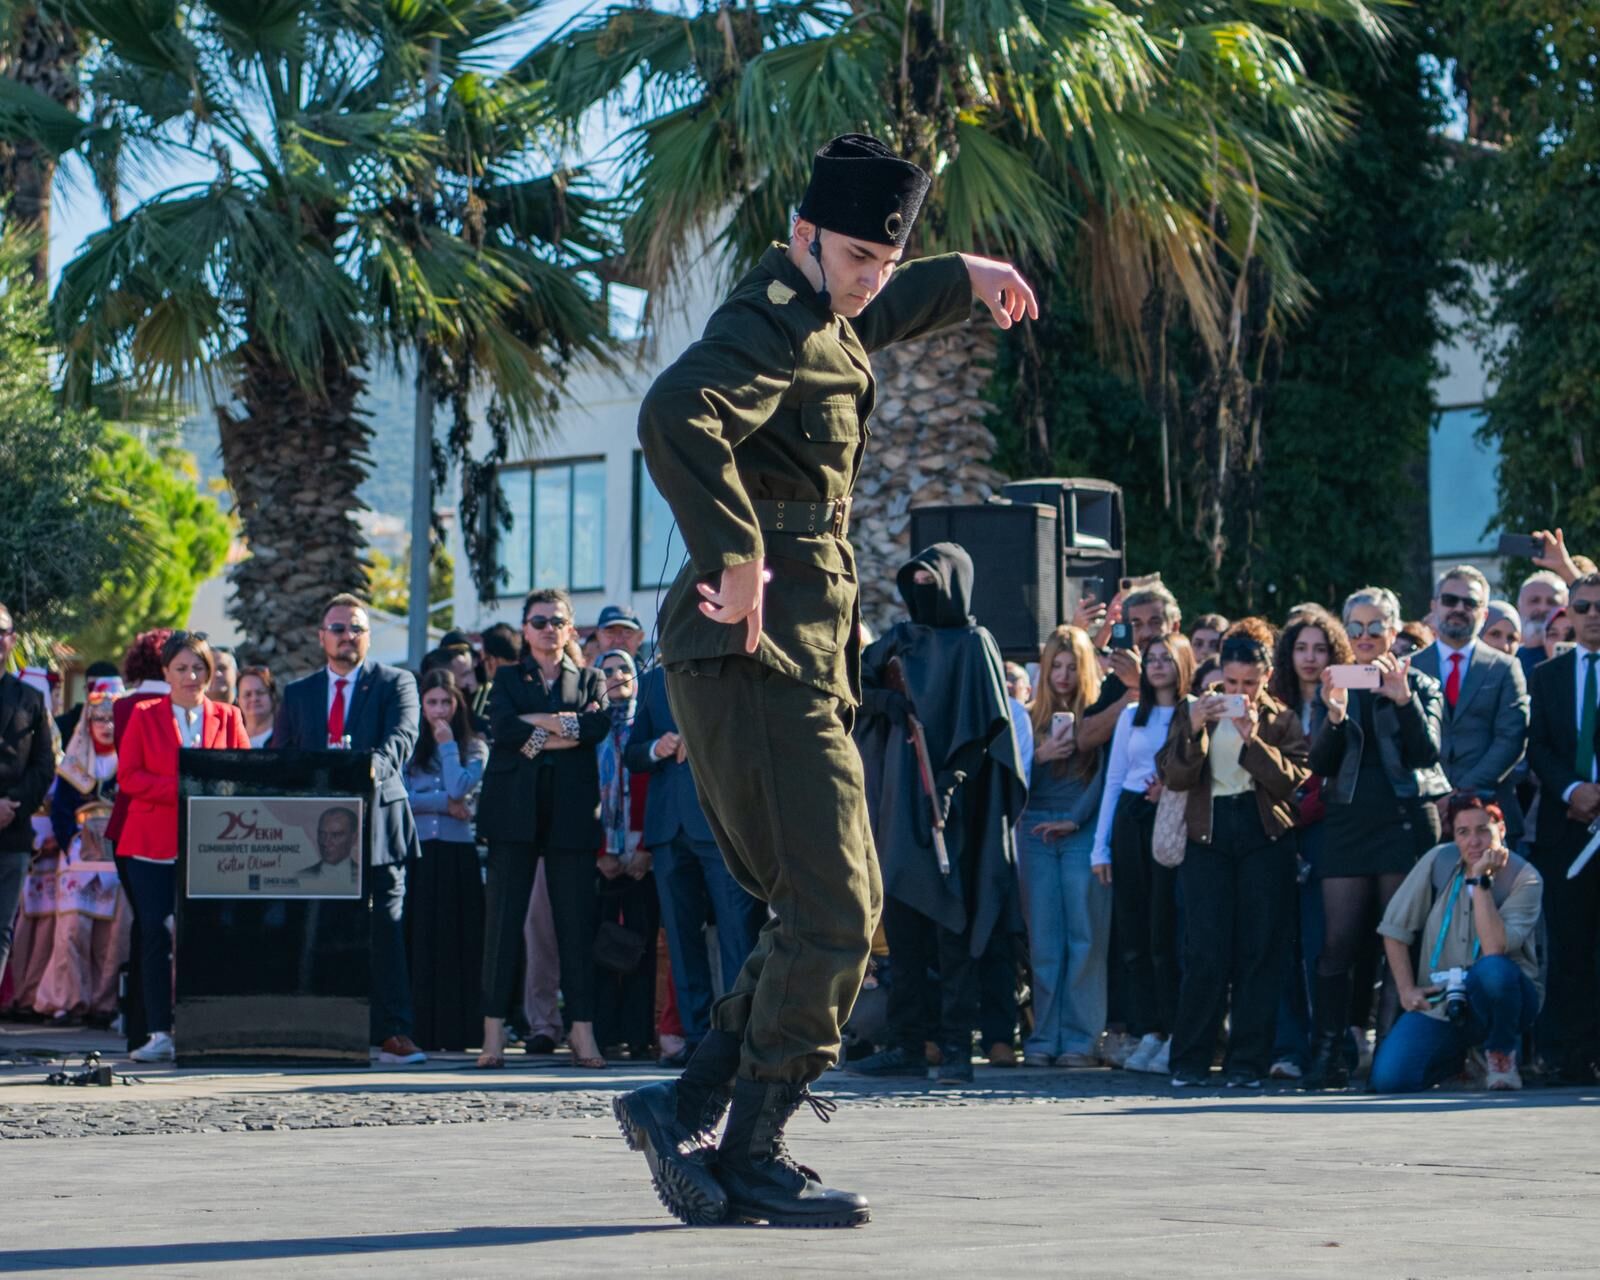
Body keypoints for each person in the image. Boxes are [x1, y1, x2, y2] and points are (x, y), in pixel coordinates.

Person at [617, 132, 1038, 1229]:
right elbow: (674, 415)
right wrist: (737, 551)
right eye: (856, 254)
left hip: (796, 653)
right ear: (801, 235)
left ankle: (693, 1103)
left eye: (886, 259)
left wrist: (964, 278)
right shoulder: (764, 315)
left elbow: (873, 315)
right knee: (838, 908)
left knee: (816, 903)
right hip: (753, 649)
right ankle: (745, 1146)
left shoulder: (826, 311)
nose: (870, 276)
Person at [851, 544, 1027, 1084]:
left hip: (960, 808)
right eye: (916, 579)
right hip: (903, 805)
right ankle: (908, 1042)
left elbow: (989, 728)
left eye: (933, 579)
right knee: (904, 929)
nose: (922, 589)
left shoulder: (976, 645)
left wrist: (952, 781)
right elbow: (855, 680)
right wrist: (888, 703)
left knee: (954, 930)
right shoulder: (902, 639)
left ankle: (955, 1048)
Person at [272, 593, 427, 1066]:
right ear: (322, 637)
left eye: (356, 628)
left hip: (379, 824)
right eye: (338, 628)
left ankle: (394, 1031)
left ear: (368, 635)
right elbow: (285, 756)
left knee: (386, 927)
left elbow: (402, 737)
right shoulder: (298, 694)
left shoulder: (395, 682)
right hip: (314, 833)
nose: (347, 636)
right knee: (317, 927)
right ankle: (321, 1030)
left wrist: (362, 772)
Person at [1302, 587, 1448, 1089]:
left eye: (1375, 628)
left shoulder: (1421, 683)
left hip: (1403, 819)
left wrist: (1403, 699)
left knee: (1398, 942)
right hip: (1347, 823)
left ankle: (1390, 1055)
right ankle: (1327, 1054)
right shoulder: (1335, 683)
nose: (1365, 638)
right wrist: (1335, 714)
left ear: (1393, 629)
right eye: (1356, 628)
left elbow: (1427, 753)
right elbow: (1318, 764)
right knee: (1336, 944)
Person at [1159, 632, 1309, 1087]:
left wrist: (1253, 740)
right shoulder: (1195, 709)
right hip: (1209, 829)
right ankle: (1190, 1059)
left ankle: (1247, 1061)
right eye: (1231, 681)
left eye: (1249, 682)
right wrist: (1194, 727)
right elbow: (1174, 774)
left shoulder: (1281, 718)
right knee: (1205, 948)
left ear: (1265, 677)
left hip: (1264, 832)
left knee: (1259, 949)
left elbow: (1293, 781)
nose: (1239, 692)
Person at [475, 588, 611, 1069]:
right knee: (503, 924)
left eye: (557, 621)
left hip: (572, 814)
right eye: (538, 621)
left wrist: (537, 731)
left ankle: (582, 1033)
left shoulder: (592, 678)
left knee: (575, 926)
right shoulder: (508, 678)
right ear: (525, 630)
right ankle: (492, 1035)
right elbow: (502, 729)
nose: (547, 629)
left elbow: (597, 728)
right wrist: (558, 731)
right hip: (513, 812)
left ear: (571, 629)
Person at [117, 632, 249, 1061]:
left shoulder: (228, 716)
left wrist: (211, 790)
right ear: (165, 673)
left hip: (209, 844)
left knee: (209, 935)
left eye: (199, 668)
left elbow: (241, 775)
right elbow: (129, 778)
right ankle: (158, 1031)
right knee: (155, 933)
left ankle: (207, 1029)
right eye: (182, 669)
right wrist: (183, 786)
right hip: (150, 844)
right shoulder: (144, 714)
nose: (192, 677)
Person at [626, 662, 765, 1068]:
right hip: (669, 830)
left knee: (739, 936)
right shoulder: (653, 680)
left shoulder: (733, 672)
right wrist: (657, 747)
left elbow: (751, 740)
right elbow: (632, 753)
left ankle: (741, 1038)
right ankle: (698, 1039)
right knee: (682, 942)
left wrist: (698, 740)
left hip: (722, 826)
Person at [1369, 796, 1543, 1092]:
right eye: (1463, 832)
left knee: (1493, 971)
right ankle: (1456, 1061)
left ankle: (1501, 1054)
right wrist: (1406, 990)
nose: (1474, 841)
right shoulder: (1439, 860)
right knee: (1389, 1080)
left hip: (1503, 998)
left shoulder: (1524, 877)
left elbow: (1494, 949)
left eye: (1483, 830)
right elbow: (1393, 930)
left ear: (1501, 828)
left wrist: (1479, 881)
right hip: (1443, 1000)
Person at [1090, 633, 1195, 1076]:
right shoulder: (1133, 714)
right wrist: (1101, 845)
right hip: (1131, 817)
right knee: (1132, 935)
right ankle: (1148, 1030)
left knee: (1163, 933)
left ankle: (1173, 1031)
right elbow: (1113, 780)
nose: (1156, 666)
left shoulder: (1192, 713)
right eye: (1150, 659)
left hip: (1169, 819)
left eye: (1165, 659)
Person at [1265, 607, 1352, 1080]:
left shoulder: (1341, 700)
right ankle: (1287, 1048)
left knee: (1323, 943)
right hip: (1276, 827)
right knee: (1281, 941)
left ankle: (1328, 1045)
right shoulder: (1271, 701)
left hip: (1327, 830)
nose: (1311, 657)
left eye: (1320, 648)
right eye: (1301, 648)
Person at [1017, 625, 1109, 1067]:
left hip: (1082, 827)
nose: (1064, 675)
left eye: (1073, 667)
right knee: (1045, 941)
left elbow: (1107, 776)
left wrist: (1075, 819)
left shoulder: (1098, 715)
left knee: (1084, 936)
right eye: (1057, 665)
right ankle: (1042, 1036)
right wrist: (1039, 757)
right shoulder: (1026, 716)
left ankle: (1082, 1037)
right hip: (1034, 828)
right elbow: (1010, 780)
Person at [1524, 571, 1600, 1083]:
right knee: (1569, 944)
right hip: (1565, 827)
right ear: (1568, 614)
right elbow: (1540, 748)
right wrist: (1574, 792)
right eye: (1584, 607)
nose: (1593, 616)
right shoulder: (1549, 675)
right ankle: (1569, 1054)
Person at [1409, 566, 1531, 842]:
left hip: (1489, 811)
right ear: (1435, 605)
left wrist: (1461, 793)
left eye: (1471, 603)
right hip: (1426, 813)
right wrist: (1437, 793)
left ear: (1484, 613)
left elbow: (1511, 739)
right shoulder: (1410, 668)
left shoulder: (1506, 667)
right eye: (1451, 600)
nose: (1459, 608)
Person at [405, 668, 488, 1053]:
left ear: (458, 705)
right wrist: (444, 805)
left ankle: (460, 1031)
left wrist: (447, 746)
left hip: (458, 856)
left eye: (445, 702)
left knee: (459, 941)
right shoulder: (409, 748)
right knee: (421, 939)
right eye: (431, 702)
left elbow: (460, 785)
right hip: (422, 854)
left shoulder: (473, 748)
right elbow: (405, 797)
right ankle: (419, 1028)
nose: (438, 710)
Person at [36, 691, 126, 1022]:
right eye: (98, 719)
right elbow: (60, 811)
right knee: (72, 931)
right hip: (78, 856)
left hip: (116, 859)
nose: (105, 726)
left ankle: (103, 1003)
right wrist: (72, 844)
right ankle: (70, 1000)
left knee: (113, 935)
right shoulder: (74, 764)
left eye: (112, 719)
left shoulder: (127, 762)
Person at [592, 649, 660, 1058]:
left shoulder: (648, 725)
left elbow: (658, 789)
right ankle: (602, 1032)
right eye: (607, 670)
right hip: (602, 855)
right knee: (598, 945)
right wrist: (604, 849)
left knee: (642, 944)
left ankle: (639, 1034)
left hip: (643, 853)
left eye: (624, 669)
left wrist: (644, 847)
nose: (616, 675)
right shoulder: (595, 728)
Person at [0, 601, 57, 994]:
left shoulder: (30, 699)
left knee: (2, 928)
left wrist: (11, 805)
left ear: (12, 639)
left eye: (1, 631)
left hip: (12, 830)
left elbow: (44, 766)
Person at [1076, 584, 1182, 752]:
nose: (1146, 633)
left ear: (1174, 627)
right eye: (1136, 624)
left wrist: (1140, 683)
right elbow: (1083, 739)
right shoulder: (1119, 677)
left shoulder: (1189, 674)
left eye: (1155, 623)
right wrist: (1126, 700)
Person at [1517, 569, 1569, 681]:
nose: (1542, 608)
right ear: (1519, 606)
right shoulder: (1509, 658)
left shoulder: (1577, 656)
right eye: (1534, 600)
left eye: (1552, 602)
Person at [300, 807, 360, 884]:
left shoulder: (363, 875)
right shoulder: (302, 875)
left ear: (353, 838)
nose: (326, 842)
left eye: (336, 835)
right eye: (322, 834)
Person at [237, 666, 278, 748]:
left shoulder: (287, 737)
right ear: (238, 701)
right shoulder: (231, 740)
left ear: (272, 696)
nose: (254, 698)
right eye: (247, 694)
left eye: (260, 693)